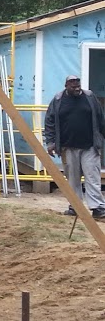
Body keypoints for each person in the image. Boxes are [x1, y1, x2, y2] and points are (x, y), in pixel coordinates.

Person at [44, 74, 105, 219]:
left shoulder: (89, 97)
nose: (77, 88)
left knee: (92, 176)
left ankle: (98, 208)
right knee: (73, 178)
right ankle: (75, 206)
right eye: (73, 86)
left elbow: (100, 118)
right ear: (66, 86)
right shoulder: (58, 100)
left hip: (90, 146)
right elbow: (49, 122)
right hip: (67, 147)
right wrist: (51, 143)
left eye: (78, 85)